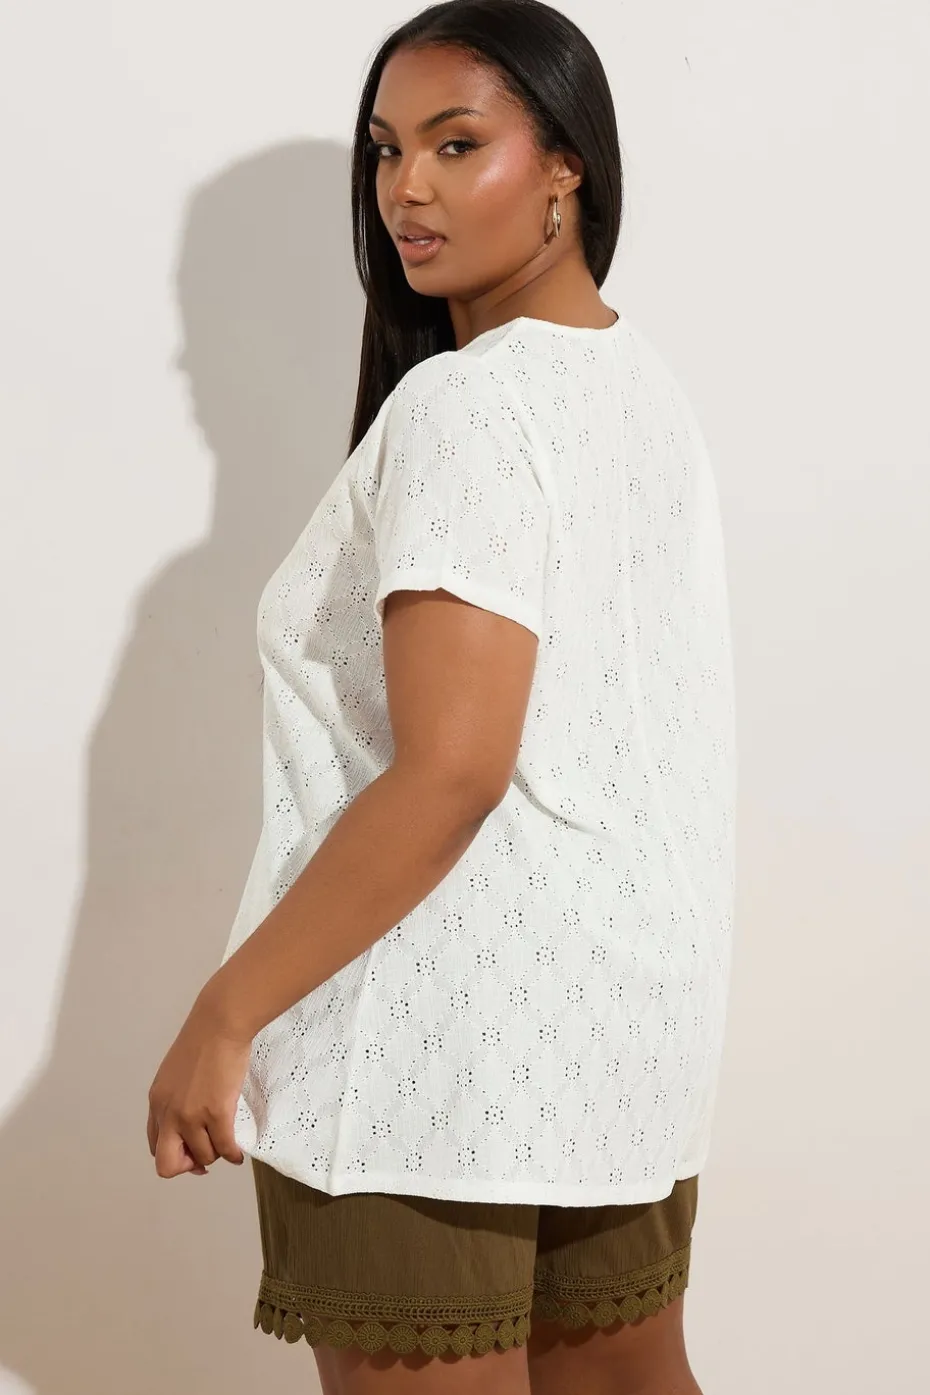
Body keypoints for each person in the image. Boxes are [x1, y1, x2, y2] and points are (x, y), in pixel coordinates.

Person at [146, 2, 737, 1391]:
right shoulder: (643, 389)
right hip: (623, 1036)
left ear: (565, 164)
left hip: (431, 1057)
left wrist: (227, 1011)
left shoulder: (467, 406)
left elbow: (453, 769)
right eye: (385, 150)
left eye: (456, 144)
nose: (406, 188)